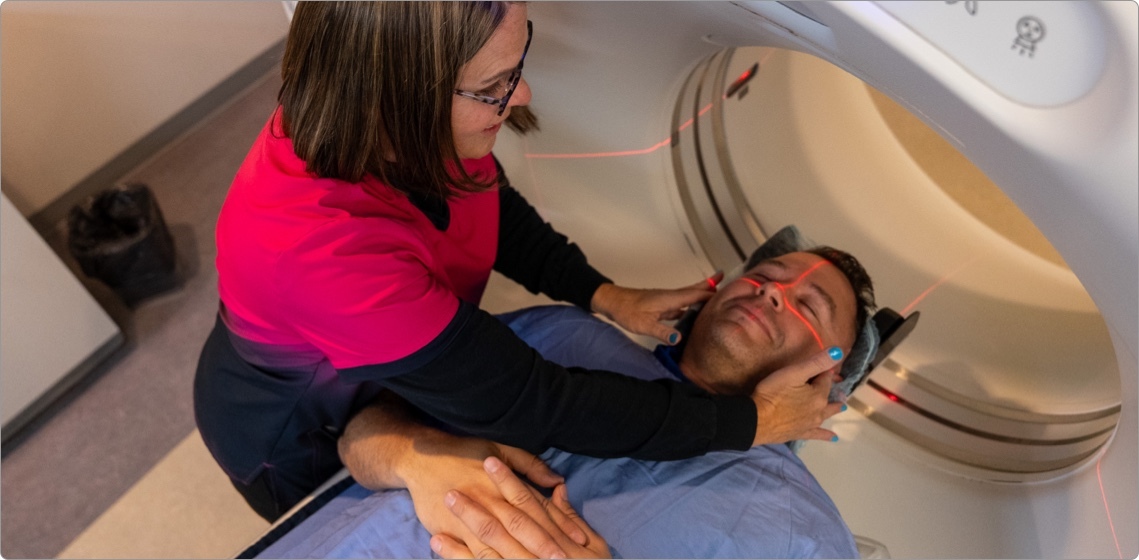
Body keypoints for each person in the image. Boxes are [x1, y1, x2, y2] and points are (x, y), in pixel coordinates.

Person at [194, 0, 844, 524]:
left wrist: (600, 294)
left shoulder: (417, 126)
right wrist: (747, 422)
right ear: (396, 105)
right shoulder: (321, 247)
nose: (522, 94)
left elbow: (488, 208)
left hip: (382, 364)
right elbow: (535, 402)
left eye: (517, 62)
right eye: (494, 87)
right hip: (293, 429)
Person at [254, 241, 877, 559]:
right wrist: (418, 459)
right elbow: (362, 432)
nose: (773, 292)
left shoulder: (800, 528)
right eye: (764, 277)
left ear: (830, 377)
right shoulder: (561, 334)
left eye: (806, 306)